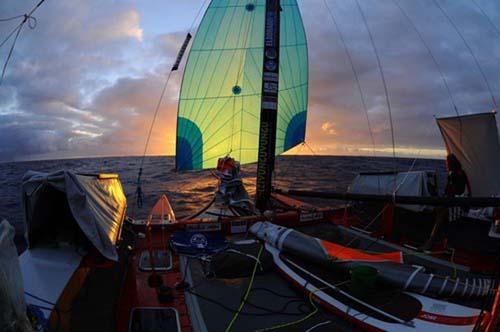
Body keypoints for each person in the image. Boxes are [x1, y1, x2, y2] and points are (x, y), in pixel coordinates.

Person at [420, 153, 471, 251]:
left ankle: (431, 242)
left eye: (447, 163)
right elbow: (448, 192)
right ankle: (444, 240)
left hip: (461, 205)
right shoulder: (452, 174)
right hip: (453, 203)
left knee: (441, 212)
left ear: (451, 164)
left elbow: (459, 192)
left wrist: (451, 184)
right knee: (437, 210)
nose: (446, 165)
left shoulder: (459, 174)